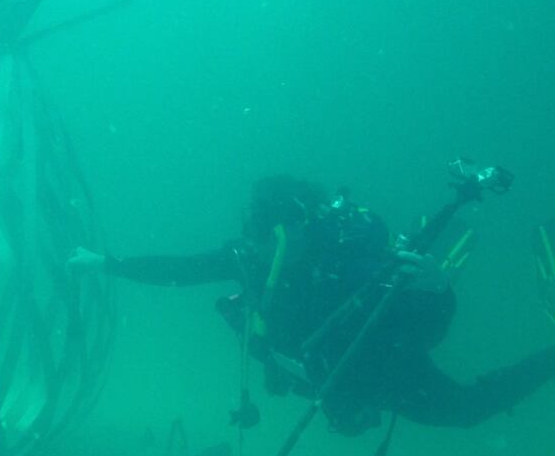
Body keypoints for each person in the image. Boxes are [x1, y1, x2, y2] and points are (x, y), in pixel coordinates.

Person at [69, 174, 555, 436]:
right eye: (254, 229)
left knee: (464, 410)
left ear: (297, 229)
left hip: (381, 363)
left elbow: (426, 326)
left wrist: (436, 287)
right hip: (325, 370)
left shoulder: (349, 265)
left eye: (266, 232)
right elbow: (184, 269)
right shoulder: (252, 258)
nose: (254, 242)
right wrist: (107, 263)